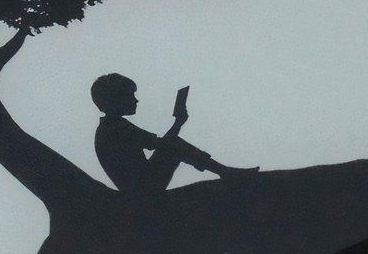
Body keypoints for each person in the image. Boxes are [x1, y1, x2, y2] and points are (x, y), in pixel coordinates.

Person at [89, 73, 255, 195]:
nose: (136, 100)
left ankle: (225, 172)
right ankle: (225, 172)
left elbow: (159, 144)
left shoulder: (110, 127)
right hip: (141, 189)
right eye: (130, 95)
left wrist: (178, 123)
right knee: (174, 144)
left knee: (173, 145)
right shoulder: (116, 127)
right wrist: (178, 122)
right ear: (117, 99)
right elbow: (162, 144)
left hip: (138, 185)